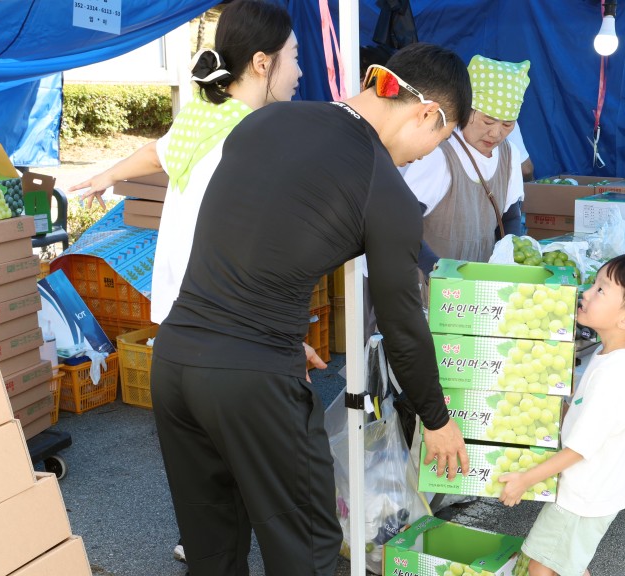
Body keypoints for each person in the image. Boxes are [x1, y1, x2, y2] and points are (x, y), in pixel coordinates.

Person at [150, 42, 472, 575]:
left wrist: (278, 328)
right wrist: (436, 420)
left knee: (212, 547)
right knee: (307, 546)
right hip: (253, 380)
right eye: (439, 141)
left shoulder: (266, 121)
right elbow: (402, 326)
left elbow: (244, 234)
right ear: (427, 114)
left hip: (176, 357)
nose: (424, 156)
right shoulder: (384, 186)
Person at [67, 1, 304, 565]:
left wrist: (105, 175)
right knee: (275, 498)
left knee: (204, 500)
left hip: (175, 340)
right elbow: (260, 250)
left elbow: (159, 150)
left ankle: (203, 544)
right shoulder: (257, 138)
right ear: (263, 63)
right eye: (295, 57)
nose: (301, 71)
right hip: (232, 337)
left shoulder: (205, 115)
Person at [498, 252, 625, 576]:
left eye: (601, 290)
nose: (587, 293)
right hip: (592, 490)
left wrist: (525, 480)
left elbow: (580, 448)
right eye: (594, 284)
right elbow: (588, 415)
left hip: (583, 496)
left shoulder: (614, 374)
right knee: (564, 565)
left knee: (541, 567)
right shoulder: (614, 352)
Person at [402, 55, 530, 273]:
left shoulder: (509, 156)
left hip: (479, 286)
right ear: (466, 110)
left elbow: (510, 216)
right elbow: (402, 222)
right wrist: (436, 269)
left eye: (507, 125)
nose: (496, 133)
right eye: (488, 121)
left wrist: (510, 261)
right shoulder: (438, 154)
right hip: (432, 283)